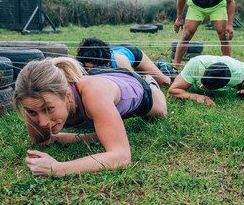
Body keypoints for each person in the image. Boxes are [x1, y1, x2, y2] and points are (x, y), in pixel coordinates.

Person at [13, 57, 167, 177]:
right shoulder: (35, 98)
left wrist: (58, 168)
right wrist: (93, 136)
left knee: (160, 114)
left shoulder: (94, 95)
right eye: (32, 112)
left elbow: (122, 157)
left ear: (67, 95)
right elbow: (42, 140)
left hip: (133, 86)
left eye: (48, 109)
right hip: (95, 76)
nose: (43, 122)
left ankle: (152, 84)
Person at [173, 0, 235, 70]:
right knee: (186, 35)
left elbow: (230, 1)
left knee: (223, 35)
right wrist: (179, 18)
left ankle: (228, 69)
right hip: (196, 6)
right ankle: (174, 68)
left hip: (217, 6)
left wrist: (230, 24)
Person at [76, 37, 171, 88]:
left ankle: (160, 65)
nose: (90, 71)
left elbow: (139, 84)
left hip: (132, 52)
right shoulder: (83, 64)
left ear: (105, 63)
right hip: (111, 51)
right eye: (88, 68)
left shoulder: (120, 62)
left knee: (164, 83)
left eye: (94, 68)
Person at [168, 55, 244, 105]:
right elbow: (171, 92)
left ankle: (243, 84)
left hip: (233, 67)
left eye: (205, 88)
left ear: (224, 87)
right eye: (202, 83)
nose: (201, 87)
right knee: (169, 82)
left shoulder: (239, 72)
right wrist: (197, 97)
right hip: (201, 63)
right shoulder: (196, 65)